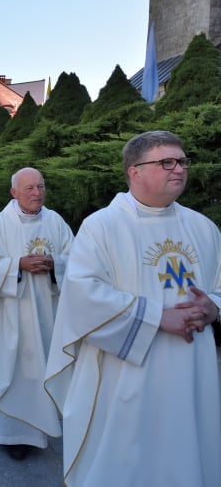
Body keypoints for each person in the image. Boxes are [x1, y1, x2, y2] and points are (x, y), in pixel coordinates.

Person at [45, 131, 221, 486]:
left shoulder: (204, 228)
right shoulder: (102, 226)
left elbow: (218, 286)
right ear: (134, 172)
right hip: (127, 372)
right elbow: (82, 293)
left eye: (182, 161)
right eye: (166, 162)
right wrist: (158, 316)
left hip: (191, 370)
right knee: (128, 459)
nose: (179, 169)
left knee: (186, 451)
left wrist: (214, 307)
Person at [0, 167, 73, 461]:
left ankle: (43, 426)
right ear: (14, 192)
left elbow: (75, 259)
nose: (37, 193)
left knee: (43, 372)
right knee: (14, 373)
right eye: (29, 188)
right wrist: (17, 266)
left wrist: (56, 265)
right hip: (12, 316)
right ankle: (13, 435)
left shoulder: (56, 221)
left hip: (48, 313)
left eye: (40, 187)